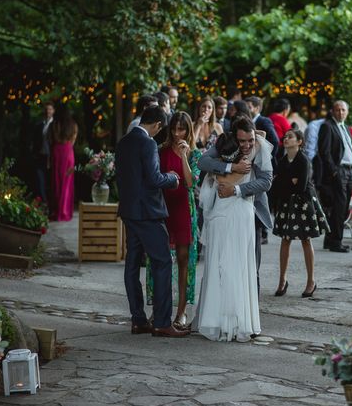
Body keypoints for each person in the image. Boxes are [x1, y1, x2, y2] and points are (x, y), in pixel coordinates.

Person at [194, 121, 273, 341]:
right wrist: (231, 168)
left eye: (250, 140)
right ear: (234, 136)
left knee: (245, 267)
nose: (247, 145)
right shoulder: (224, 143)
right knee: (219, 265)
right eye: (242, 141)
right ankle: (215, 319)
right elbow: (203, 161)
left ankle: (242, 321)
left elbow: (266, 181)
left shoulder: (261, 147)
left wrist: (236, 189)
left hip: (246, 210)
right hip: (221, 212)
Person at [115, 106, 188, 338]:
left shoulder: (124, 141)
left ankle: (138, 320)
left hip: (128, 210)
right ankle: (162, 322)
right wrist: (173, 178)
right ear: (157, 125)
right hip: (148, 212)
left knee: (132, 264)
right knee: (163, 261)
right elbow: (155, 178)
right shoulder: (148, 144)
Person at [145, 112, 201, 330]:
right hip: (163, 209)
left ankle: (181, 312)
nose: (178, 134)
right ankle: (159, 310)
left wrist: (184, 157)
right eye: (175, 129)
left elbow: (189, 183)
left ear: (188, 130)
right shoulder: (159, 151)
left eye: (182, 129)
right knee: (159, 261)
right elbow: (153, 179)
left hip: (184, 210)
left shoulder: (195, 154)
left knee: (184, 260)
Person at [271, 129, 328, 297]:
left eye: (290, 137)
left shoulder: (303, 160)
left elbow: (301, 186)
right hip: (287, 202)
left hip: (304, 203)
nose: (286, 138)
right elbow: (278, 186)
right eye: (285, 136)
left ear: (299, 141)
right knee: (285, 240)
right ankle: (282, 280)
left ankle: (311, 281)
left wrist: (285, 182)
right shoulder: (282, 161)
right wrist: (289, 181)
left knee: (305, 240)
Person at [317, 100, 352, 252]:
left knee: (344, 206)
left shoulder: (346, 127)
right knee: (339, 208)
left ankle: (330, 240)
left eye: (343, 110)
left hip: (350, 171)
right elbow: (324, 152)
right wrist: (334, 171)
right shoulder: (327, 126)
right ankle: (336, 242)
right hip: (339, 171)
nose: (341, 113)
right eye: (338, 110)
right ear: (332, 111)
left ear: (347, 112)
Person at [49, 104, 77, 221]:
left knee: (56, 182)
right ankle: (65, 212)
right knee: (67, 183)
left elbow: (51, 139)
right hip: (68, 152)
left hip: (57, 151)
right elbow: (73, 140)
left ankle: (57, 211)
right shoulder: (73, 125)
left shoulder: (54, 124)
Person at [32, 101, 54, 205]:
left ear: (53, 111)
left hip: (51, 156)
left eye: (49, 109)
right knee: (40, 178)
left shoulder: (54, 125)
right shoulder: (39, 125)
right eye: (46, 109)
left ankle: (49, 201)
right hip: (40, 155)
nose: (47, 111)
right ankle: (43, 200)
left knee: (50, 180)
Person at [245, 96, 279, 160]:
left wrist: (268, 158)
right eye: (245, 107)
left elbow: (275, 141)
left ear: (257, 108)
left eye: (249, 107)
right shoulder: (247, 121)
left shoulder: (264, 121)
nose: (246, 110)